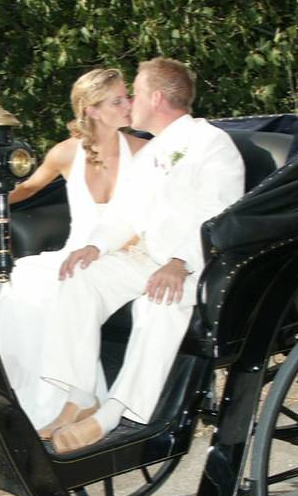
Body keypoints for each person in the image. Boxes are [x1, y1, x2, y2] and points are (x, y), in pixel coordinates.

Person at [39, 58, 245, 453]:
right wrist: (94, 246)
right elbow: (126, 212)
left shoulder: (211, 145)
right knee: (79, 278)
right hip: (147, 257)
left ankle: (114, 413)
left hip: (195, 266)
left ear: (156, 97)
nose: (130, 99)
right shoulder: (153, 150)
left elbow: (219, 215)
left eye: (135, 90)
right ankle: (81, 395)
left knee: (158, 301)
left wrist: (179, 262)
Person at [0, 68, 145, 428]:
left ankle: (74, 403)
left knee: (62, 286)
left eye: (128, 98)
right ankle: (21, 401)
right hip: (75, 252)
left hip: (120, 254)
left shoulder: (144, 151)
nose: (129, 105)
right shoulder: (65, 153)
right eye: (118, 100)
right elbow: (28, 188)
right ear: (91, 110)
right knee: (20, 281)